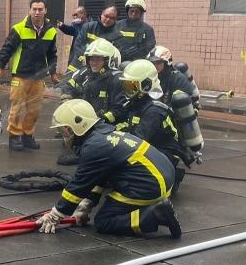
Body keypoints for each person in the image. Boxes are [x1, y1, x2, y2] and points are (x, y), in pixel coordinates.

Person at [37, 99, 181, 239]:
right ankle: (153, 208)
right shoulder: (102, 135)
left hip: (151, 184)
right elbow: (99, 176)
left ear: (76, 125)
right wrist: (86, 205)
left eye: (65, 130)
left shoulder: (93, 147)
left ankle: (155, 214)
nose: (64, 136)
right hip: (162, 175)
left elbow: (79, 184)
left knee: (104, 221)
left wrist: (56, 214)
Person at [0, 0, 58, 151]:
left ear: (45, 11)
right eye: (34, 9)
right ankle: (14, 137)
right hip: (20, 76)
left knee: (33, 110)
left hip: (38, 78)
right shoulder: (19, 29)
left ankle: (28, 136)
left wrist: (53, 74)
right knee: (18, 108)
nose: (37, 12)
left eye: (40, 9)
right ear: (29, 10)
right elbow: (7, 49)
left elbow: (52, 54)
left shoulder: (51, 31)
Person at [117, 59, 189, 186]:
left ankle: (165, 182)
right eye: (126, 85)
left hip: (165, 155)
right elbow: (128, 125)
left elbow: (138, 139)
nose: (127, 90)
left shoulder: (154, 110)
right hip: (153, 147)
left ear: (146, 85)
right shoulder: (137, 102)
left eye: (132, 86)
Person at [57, 38, 126, 164]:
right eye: (91, 58)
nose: (94, 62)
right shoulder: (85, 73)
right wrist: (66, 97)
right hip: (86, 121)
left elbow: (119, 110)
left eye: (98, 59)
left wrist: (95, 120)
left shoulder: (116, 79)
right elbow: (68, 85)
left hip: (104, 124)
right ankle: (77, 143)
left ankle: (85, 152)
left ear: (107, 60)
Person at [67, 6, 120, 73]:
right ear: (101, 14)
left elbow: (114, 55)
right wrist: (85, 60)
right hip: (78, 64)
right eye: (106, 16)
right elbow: (79, 45)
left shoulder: (117, 35)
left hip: (100, 69)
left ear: (116, 19)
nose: (108, 19)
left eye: (112, 18)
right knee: (66, 82)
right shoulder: (88, 27)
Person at [114, 0, 156, 64]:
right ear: (127, 11)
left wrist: (135, 54)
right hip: (118, 62)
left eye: (137, 11)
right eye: (132, 11)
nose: (134, 13)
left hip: (138, 64)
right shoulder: (117, 26)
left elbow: (150, 48)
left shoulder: (148, 29)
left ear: (141, 13)